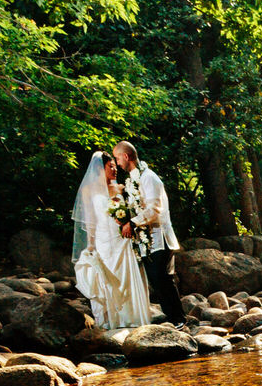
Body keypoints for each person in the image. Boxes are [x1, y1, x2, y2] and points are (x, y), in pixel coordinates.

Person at [72, 152, 153, 330]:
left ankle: (130, 318)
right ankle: (110, 320)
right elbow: (90, 218)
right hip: (102, 239)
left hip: (121, 239)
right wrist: (91, 243)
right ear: (101, 168)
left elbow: (131, 211)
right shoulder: (88, 190)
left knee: (126, 276)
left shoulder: (120, 188)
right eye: (111, 166)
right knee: (106, 278)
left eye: (115, 166)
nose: (115, 169)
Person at [113, 141, 184, 323]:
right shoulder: (133, 179)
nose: (117, 162)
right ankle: (175, 318)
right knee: (158, 280)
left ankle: (178, 319)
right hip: (149, 240)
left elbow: (154, 209)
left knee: (163, 280)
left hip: (159, 237)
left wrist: (132, 223)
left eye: (117, 157)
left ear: (126, 156)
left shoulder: (148, 178)